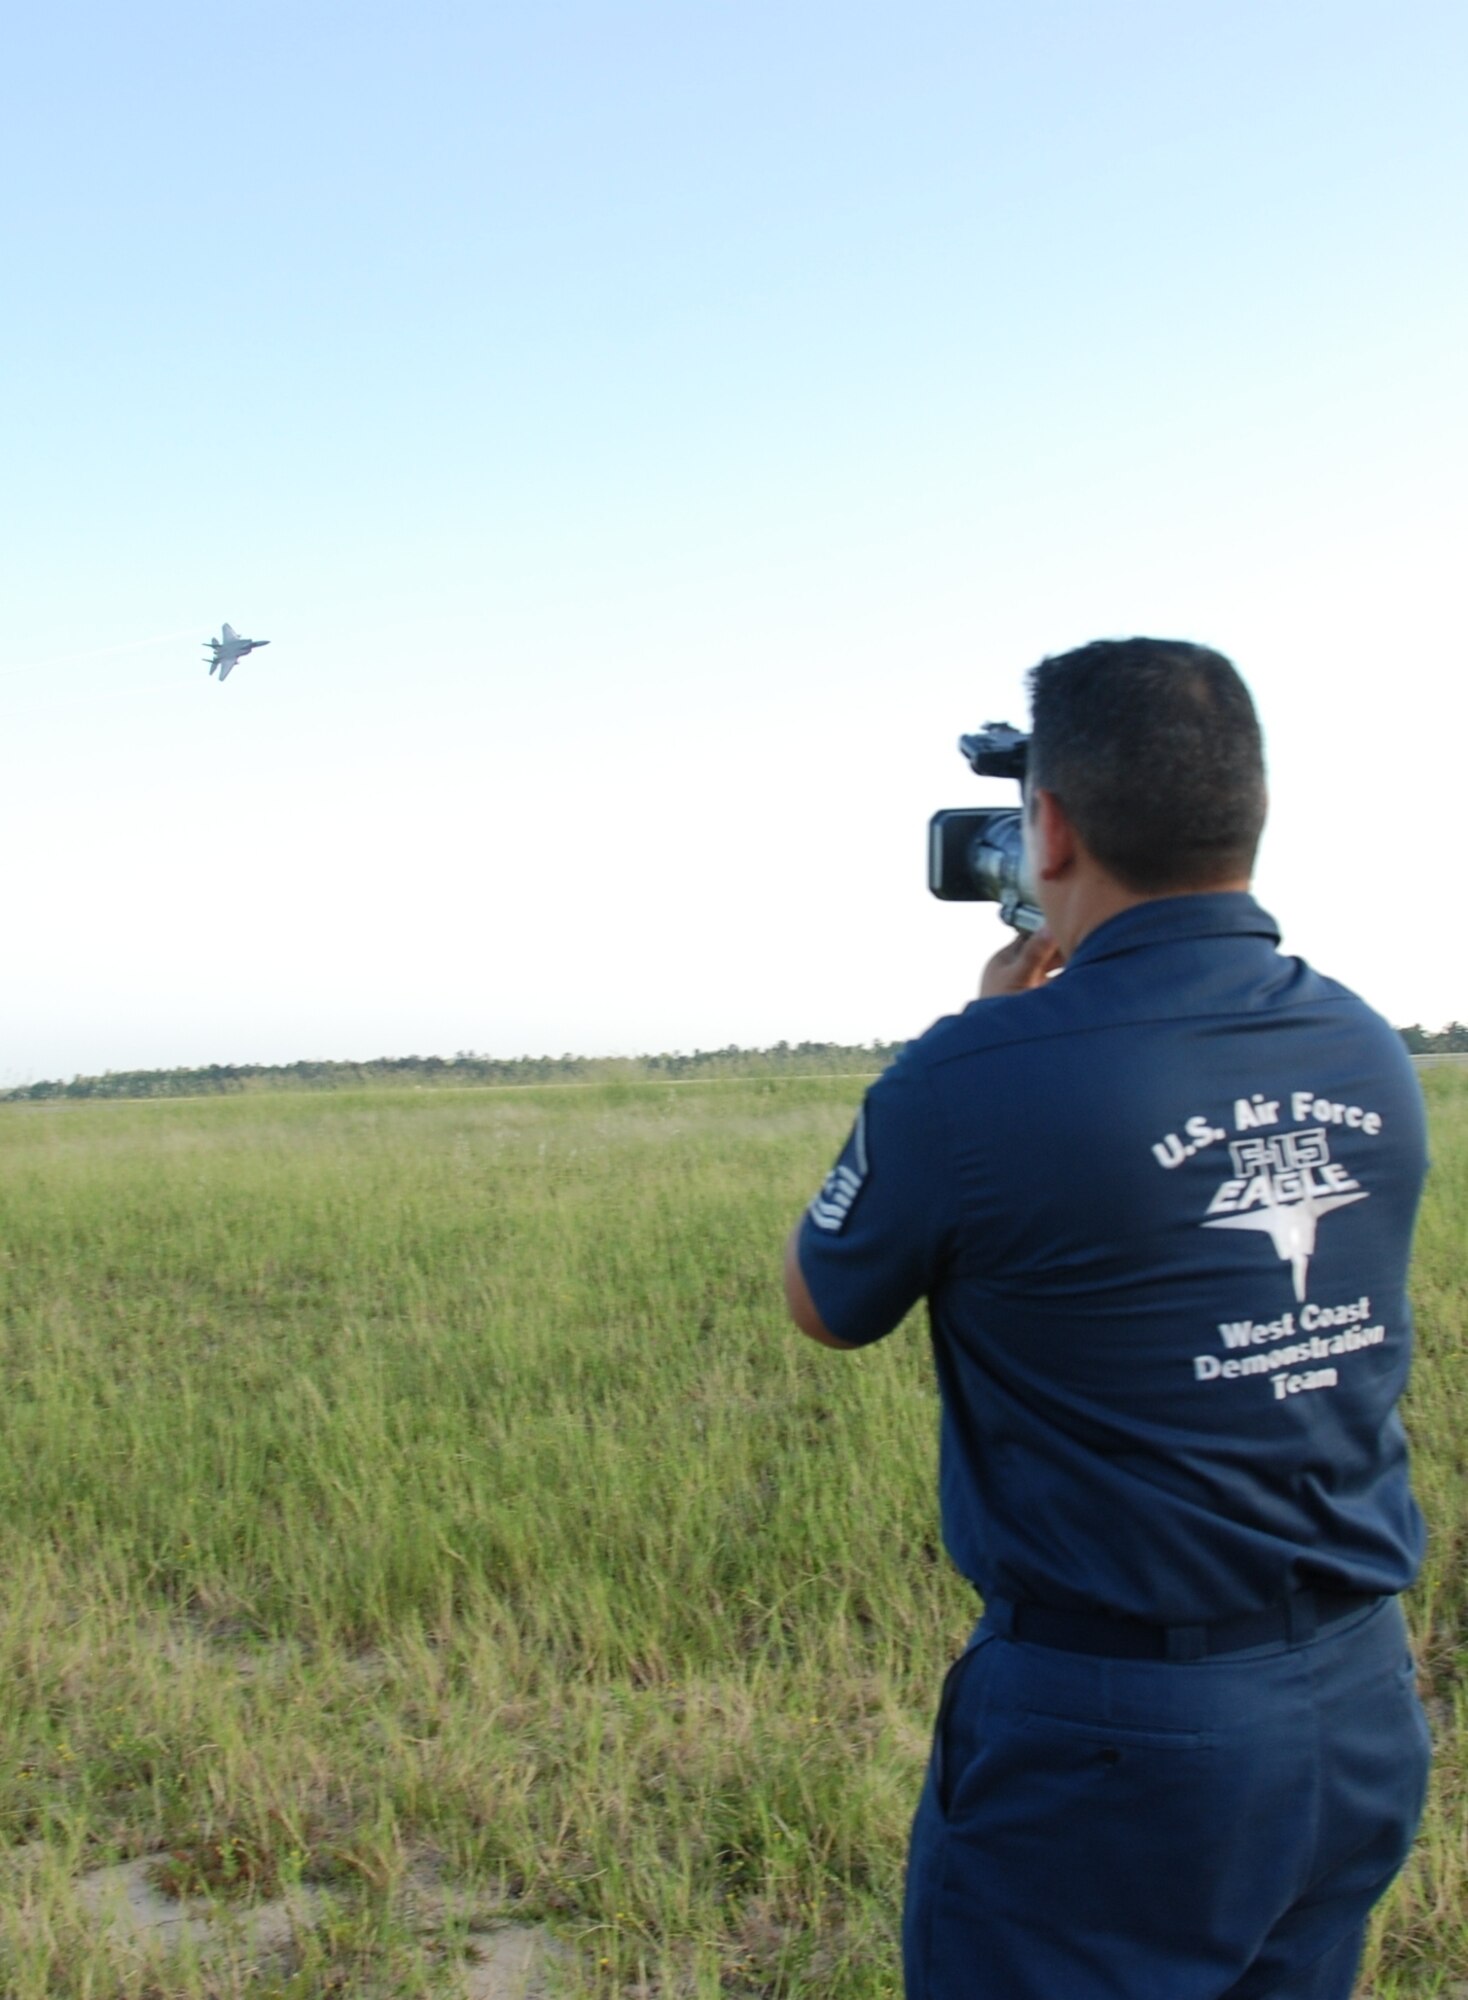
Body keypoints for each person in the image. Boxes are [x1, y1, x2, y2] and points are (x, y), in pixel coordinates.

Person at [784, 638, 1431, 2000]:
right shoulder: (1365, 1044)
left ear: (1054, 828)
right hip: (1358, 1702)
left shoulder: (970, 1077)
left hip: (1113, 1736)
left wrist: (980, 1038)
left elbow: (826, 1304)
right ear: (1246, 815)